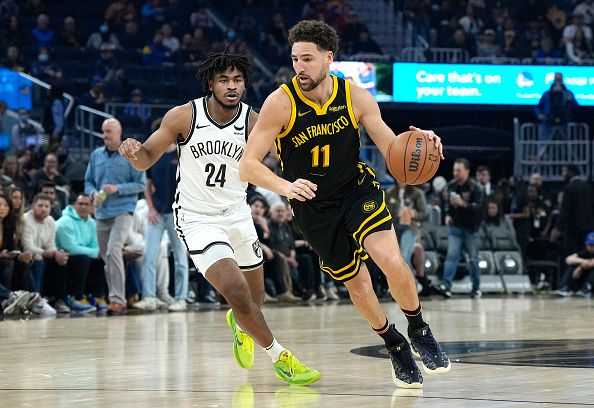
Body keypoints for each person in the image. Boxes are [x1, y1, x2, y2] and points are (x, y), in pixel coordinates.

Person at [239, 20, 450, 389]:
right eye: (295, 59)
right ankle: (393, 342)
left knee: (389, 258)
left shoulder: (354, 96)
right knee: (358, 284)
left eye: (307, 59)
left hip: (355, 190)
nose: (299, 67)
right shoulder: (280, 102)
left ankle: (418, 327)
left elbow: (390, 147)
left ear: (328, 58)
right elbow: (248, 165)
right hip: (313, 206)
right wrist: (286, 185)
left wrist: (419, 143)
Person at [118, 52, 319, 385]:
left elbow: (289, 154)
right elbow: (146, 159)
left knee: (255, 301)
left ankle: (241, 326)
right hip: (198, 219)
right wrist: (133, 152)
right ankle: (281, 357)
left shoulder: (254, 121)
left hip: (238, 214)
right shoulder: (184, 116)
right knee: (238, 295)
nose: (232, 86)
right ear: (211, 83)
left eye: (238, 80)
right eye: (224, 80)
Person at [84, 118, 146, 315]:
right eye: (103, 131)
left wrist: (117, 189)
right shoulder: (95, 156)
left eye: (109, 131)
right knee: (106, 256)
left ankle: (117, 300)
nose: (105, 135)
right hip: (101, 212)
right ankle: (116, 295)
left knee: (113, 251)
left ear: (119, 133)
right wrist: (93, 193)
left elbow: (140, 185)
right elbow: (88, 182)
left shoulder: (130, 155)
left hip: (123, 210)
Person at [133, 133, 189, 313]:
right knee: (149, 254)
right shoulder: (154, 157)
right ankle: (149, 297)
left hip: (177, 212)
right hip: (157, 212)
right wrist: (150, 208)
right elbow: (147, 186)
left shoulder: (182, 154)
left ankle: (181, 299)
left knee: (180, 258)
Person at [439, 158, 484, 299]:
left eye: (459, 170)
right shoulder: (451, 185)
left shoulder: (475, 188)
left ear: (467, 171)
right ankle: (446, 287)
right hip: (455, 228)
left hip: (471, 229)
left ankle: (476, 288)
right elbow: (447, 204)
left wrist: (463, 204)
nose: (455, 173)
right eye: (454, 170)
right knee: (452, 256)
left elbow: (479, 209)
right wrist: (447, 215)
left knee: (473, 259)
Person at [55, 194, 102, 312]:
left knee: (104, 259)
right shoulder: (65, 222)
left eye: (87, 204)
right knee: (83, 258)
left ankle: (96, 296)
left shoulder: (91, 222)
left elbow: (95, 245)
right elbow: (71, 248)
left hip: (83, 257)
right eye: (80, 204)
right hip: (62, 258)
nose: (84, 207)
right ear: (73, 205)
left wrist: (98, 253)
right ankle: (77, 298)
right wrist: (96, 252)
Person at [534, 72, 578, 157]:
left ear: (562, 80)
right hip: (548, 122)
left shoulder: (568, 93)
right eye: (556, 80)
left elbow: (576, 106)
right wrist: (539, 115)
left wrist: (571, 100)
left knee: (567, 146)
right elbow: (537, 106)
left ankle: (569, 162)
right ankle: (540, 160)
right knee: (543, 144)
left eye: (559, 80)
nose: (558, 82)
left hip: (564, 122)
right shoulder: (546, 94)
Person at [556, 231, 594, 297]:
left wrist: (580, 268)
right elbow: (568, 259)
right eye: (590, 245)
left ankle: (587, 288)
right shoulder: (585, 252)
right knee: (573, 265)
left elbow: (591, 263)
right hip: (582, 277)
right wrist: (582, 262)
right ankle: (565, 287)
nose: (592, 247)